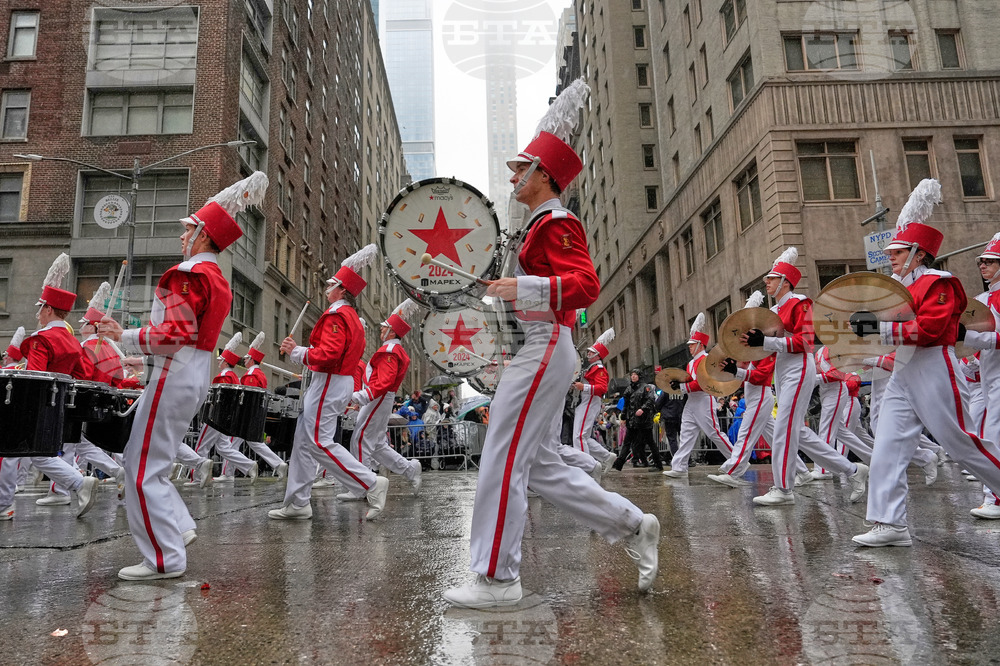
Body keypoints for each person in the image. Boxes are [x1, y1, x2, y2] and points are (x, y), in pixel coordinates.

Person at [443, 80, 659, 608]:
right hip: (541, 347)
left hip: (546, 346)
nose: (514, 176)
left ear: (544, 175)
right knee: (537, 464)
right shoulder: (537, 224)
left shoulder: (557, 221)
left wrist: (523, 286)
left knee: (501, 453)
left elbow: (586, 285)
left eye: (522, 168)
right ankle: (633, 525)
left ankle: (497, 579)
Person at [98, 171, 268, 580]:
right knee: (151, 465)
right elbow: (189, 341)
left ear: (204, 234)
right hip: (190, 374)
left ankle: (164, 558)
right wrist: (141, 358)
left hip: (173, 376)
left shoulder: (188, 274)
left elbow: (173, 335)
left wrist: (124, 335)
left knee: (141, 470)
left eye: (188, 229)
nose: (182, 235)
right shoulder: (217, 279)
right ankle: (178, 531)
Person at [853, 181, 1000, 545]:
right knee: (887, 443)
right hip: (905, 369)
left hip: (934, 365)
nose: (892, 257)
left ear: (920, 254)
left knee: (960, 443)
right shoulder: (898, 287)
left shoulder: (941, 282)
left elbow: (931, 329)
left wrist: (877, 328)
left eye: (899, 252)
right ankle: (890, 524)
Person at [269, 244, 389, 521]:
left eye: (331, 284)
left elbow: (330, 354)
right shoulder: (350, 318)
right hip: (334, 382)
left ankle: (369, 482)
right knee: (302, 442)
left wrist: (298, 352)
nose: (326, 287)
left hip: (329, 382)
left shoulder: (337, 315)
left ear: (342, 290)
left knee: (318, 443)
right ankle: (298, 502)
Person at [742, 247, 869, 506]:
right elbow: (772, 346)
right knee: (796, 431)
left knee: (784, 429)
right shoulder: (775, 310)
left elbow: (806, 342)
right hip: (784, 371)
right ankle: (853, 470)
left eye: (772, 278)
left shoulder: (801, 303)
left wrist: (765, 341)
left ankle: (783, 488)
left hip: (799, 368)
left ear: (785, 282)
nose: (766, 282)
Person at [0, 254, 101, 520]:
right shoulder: (72, 342)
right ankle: (80, 483)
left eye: (40, 308)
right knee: (38, 454)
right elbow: (83, 373)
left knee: (8, 451)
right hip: (56, 406)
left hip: (31, 404)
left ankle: (2, 504)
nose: (37, 314)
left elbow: (34, 377)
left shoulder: (41, 338)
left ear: (47, 309)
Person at [339, 299, 422, 500]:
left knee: (360, 440)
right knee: (375, 445)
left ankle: (362, 486)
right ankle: (410, 470)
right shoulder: (393, 350)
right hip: (381, 399)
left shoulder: (390, 351)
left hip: (378, 399)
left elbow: (384, 381)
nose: (380, 330)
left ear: (392, 332)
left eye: (384, 328)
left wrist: (361, 396)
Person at [662, 314, 733, 479]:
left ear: (700, 345)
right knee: (686, 433)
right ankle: (679, 467)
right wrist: (678, 384)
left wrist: (682, 386)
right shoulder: (691, 362)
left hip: (703, 399)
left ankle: (736, 459)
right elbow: (689, 380)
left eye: (692, 344)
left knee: (714, 432)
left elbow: (702, 382)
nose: (689, 347)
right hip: (692, 401)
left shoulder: (707, 359)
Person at [963, 232, 1000, 518]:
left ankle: (995, 498)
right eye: (981, 261)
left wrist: (976, 339)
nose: (983, 265)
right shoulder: (983, 298)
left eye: (989, 261)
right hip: (988, 375)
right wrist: (971, 361)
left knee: (993, 432)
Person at [221, 332, 287, 480]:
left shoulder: (252, 376)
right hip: (251, 416)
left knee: (231, 445)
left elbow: (249, 398)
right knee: (255, 444)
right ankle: (278, 464)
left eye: (246, 358)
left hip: (246, 416)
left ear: (251, 360)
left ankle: (227, 473)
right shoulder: (257, 374)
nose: (244, 360)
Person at [611, 370, 661, 470]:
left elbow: (650, 400)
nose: (633, 377)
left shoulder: (646, 387)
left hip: (644, 420)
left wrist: (643, 409)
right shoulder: (629, 389)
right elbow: (626, 404)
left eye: (635, 375)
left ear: (639, 376)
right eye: (632, 375)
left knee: (650, 442)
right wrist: (624, 416)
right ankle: (619, 463)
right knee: (627, 442)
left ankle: (658, 464)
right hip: (632, 420)